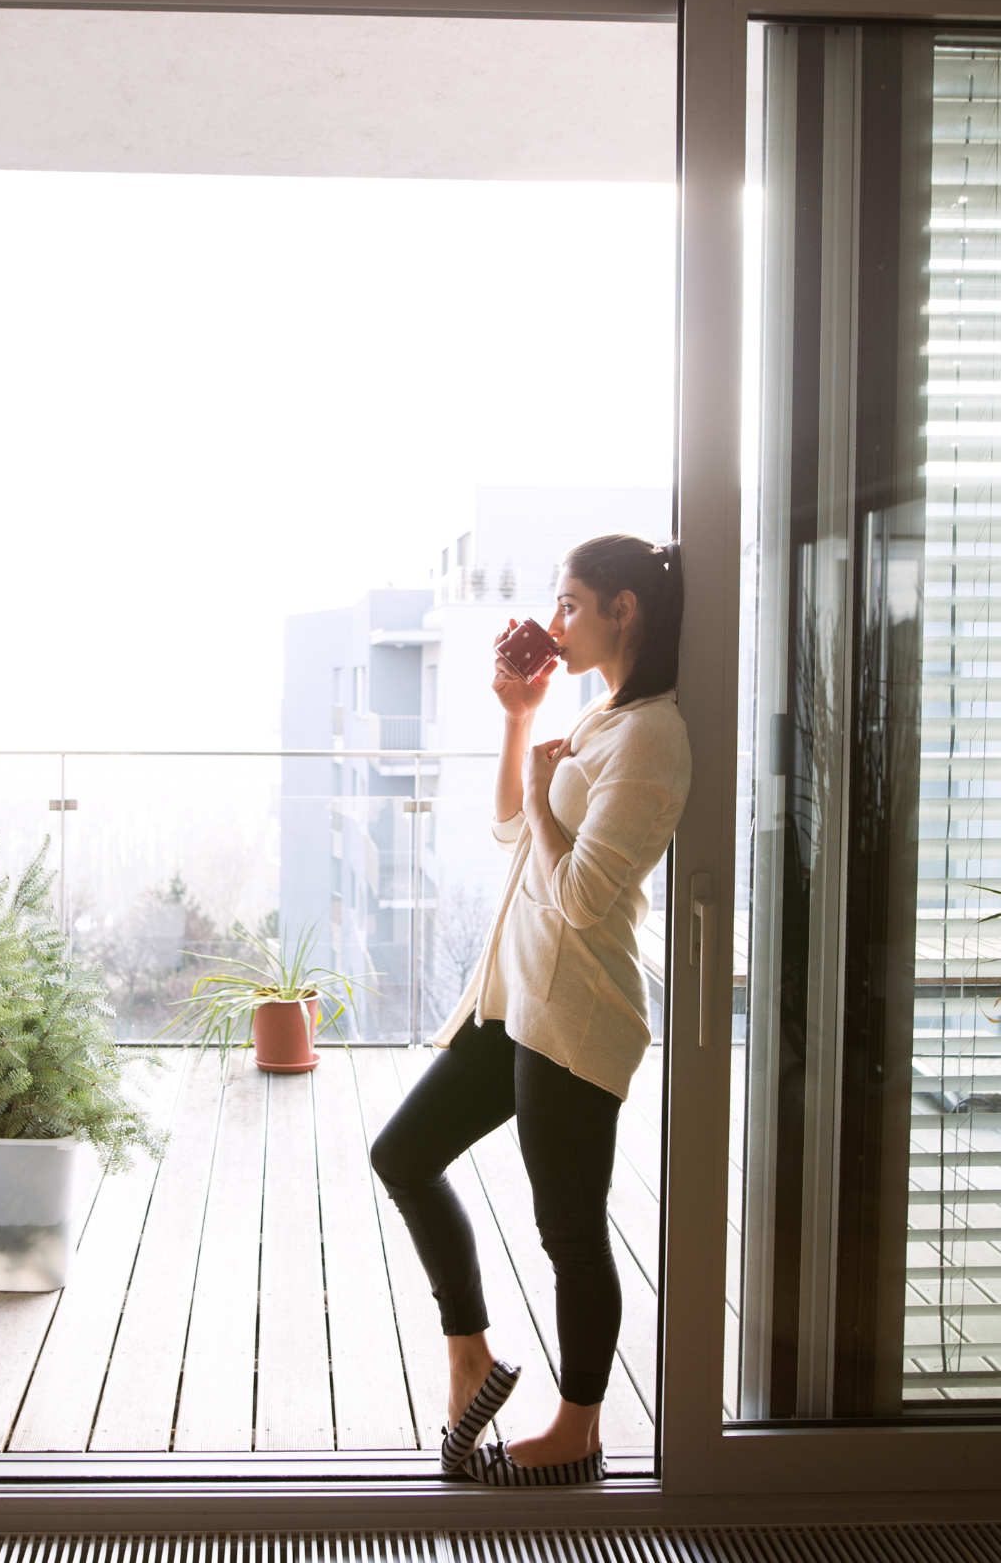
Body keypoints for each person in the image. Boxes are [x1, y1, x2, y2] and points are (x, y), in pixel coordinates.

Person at [368, 533, 690, 1486]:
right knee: (403, 1153)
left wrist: (549, 803)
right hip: (512, 1000)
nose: (558, 623)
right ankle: (470, 1354)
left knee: (568, 1229)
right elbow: (515, 827)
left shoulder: (653, 735)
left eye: (571, 604)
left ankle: (579, 1428)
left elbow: (584, 894)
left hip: (578, 1013)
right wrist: (520, 721)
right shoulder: (599, 718)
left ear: (623, 609)